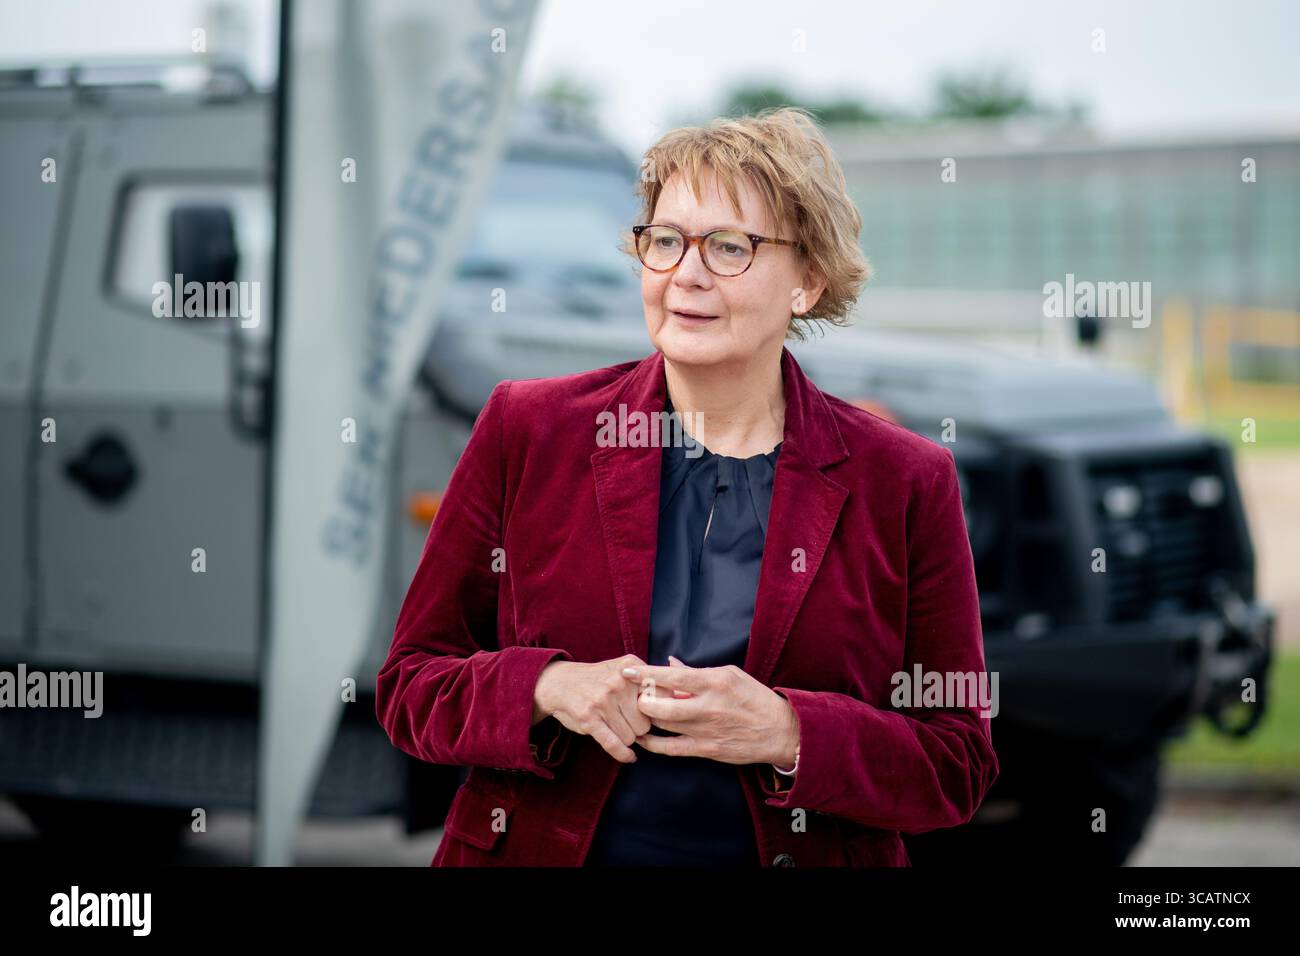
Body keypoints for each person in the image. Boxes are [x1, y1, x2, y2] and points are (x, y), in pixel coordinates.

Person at [376, 107, 999, 866]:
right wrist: (546, 686)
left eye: (729, 247)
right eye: (665, 241)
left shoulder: (904, 479)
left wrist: (790, 731)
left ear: (807, 280)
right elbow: (412, 684)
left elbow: (957, 761)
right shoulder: (528, 428)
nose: (687, 273)